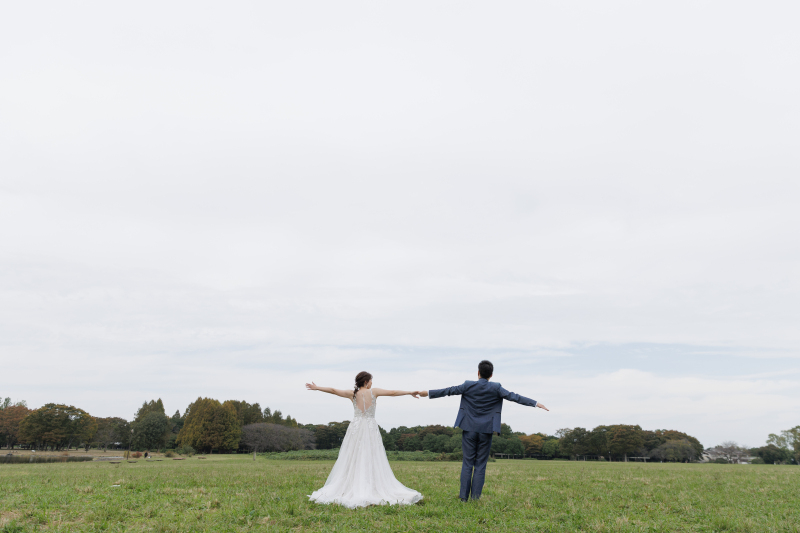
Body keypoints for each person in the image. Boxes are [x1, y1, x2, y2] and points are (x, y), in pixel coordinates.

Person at [418, 360, 549, 501]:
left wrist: (428, 393)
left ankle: (463, 499)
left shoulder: (468, 385)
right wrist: (535, 403)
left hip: (469, 429)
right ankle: (475, 499)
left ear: (478, 373)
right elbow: (514, 397)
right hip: (486, 430)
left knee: (467, 463)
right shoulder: (496, 388)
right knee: (480, 465)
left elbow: (448, 391)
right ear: (491, 375)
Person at [305, 371, 423, 508]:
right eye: (371, 380)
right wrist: (409, 392)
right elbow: (393, 392)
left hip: (356, 428)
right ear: (366, 381)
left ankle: (354, 485)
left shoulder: (352, 394)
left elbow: (333, 390)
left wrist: (317, 387)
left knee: (353, 456)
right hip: (370, 427)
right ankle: (370, 486)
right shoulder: (374, 392)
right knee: (372, 456)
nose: (372, 383)